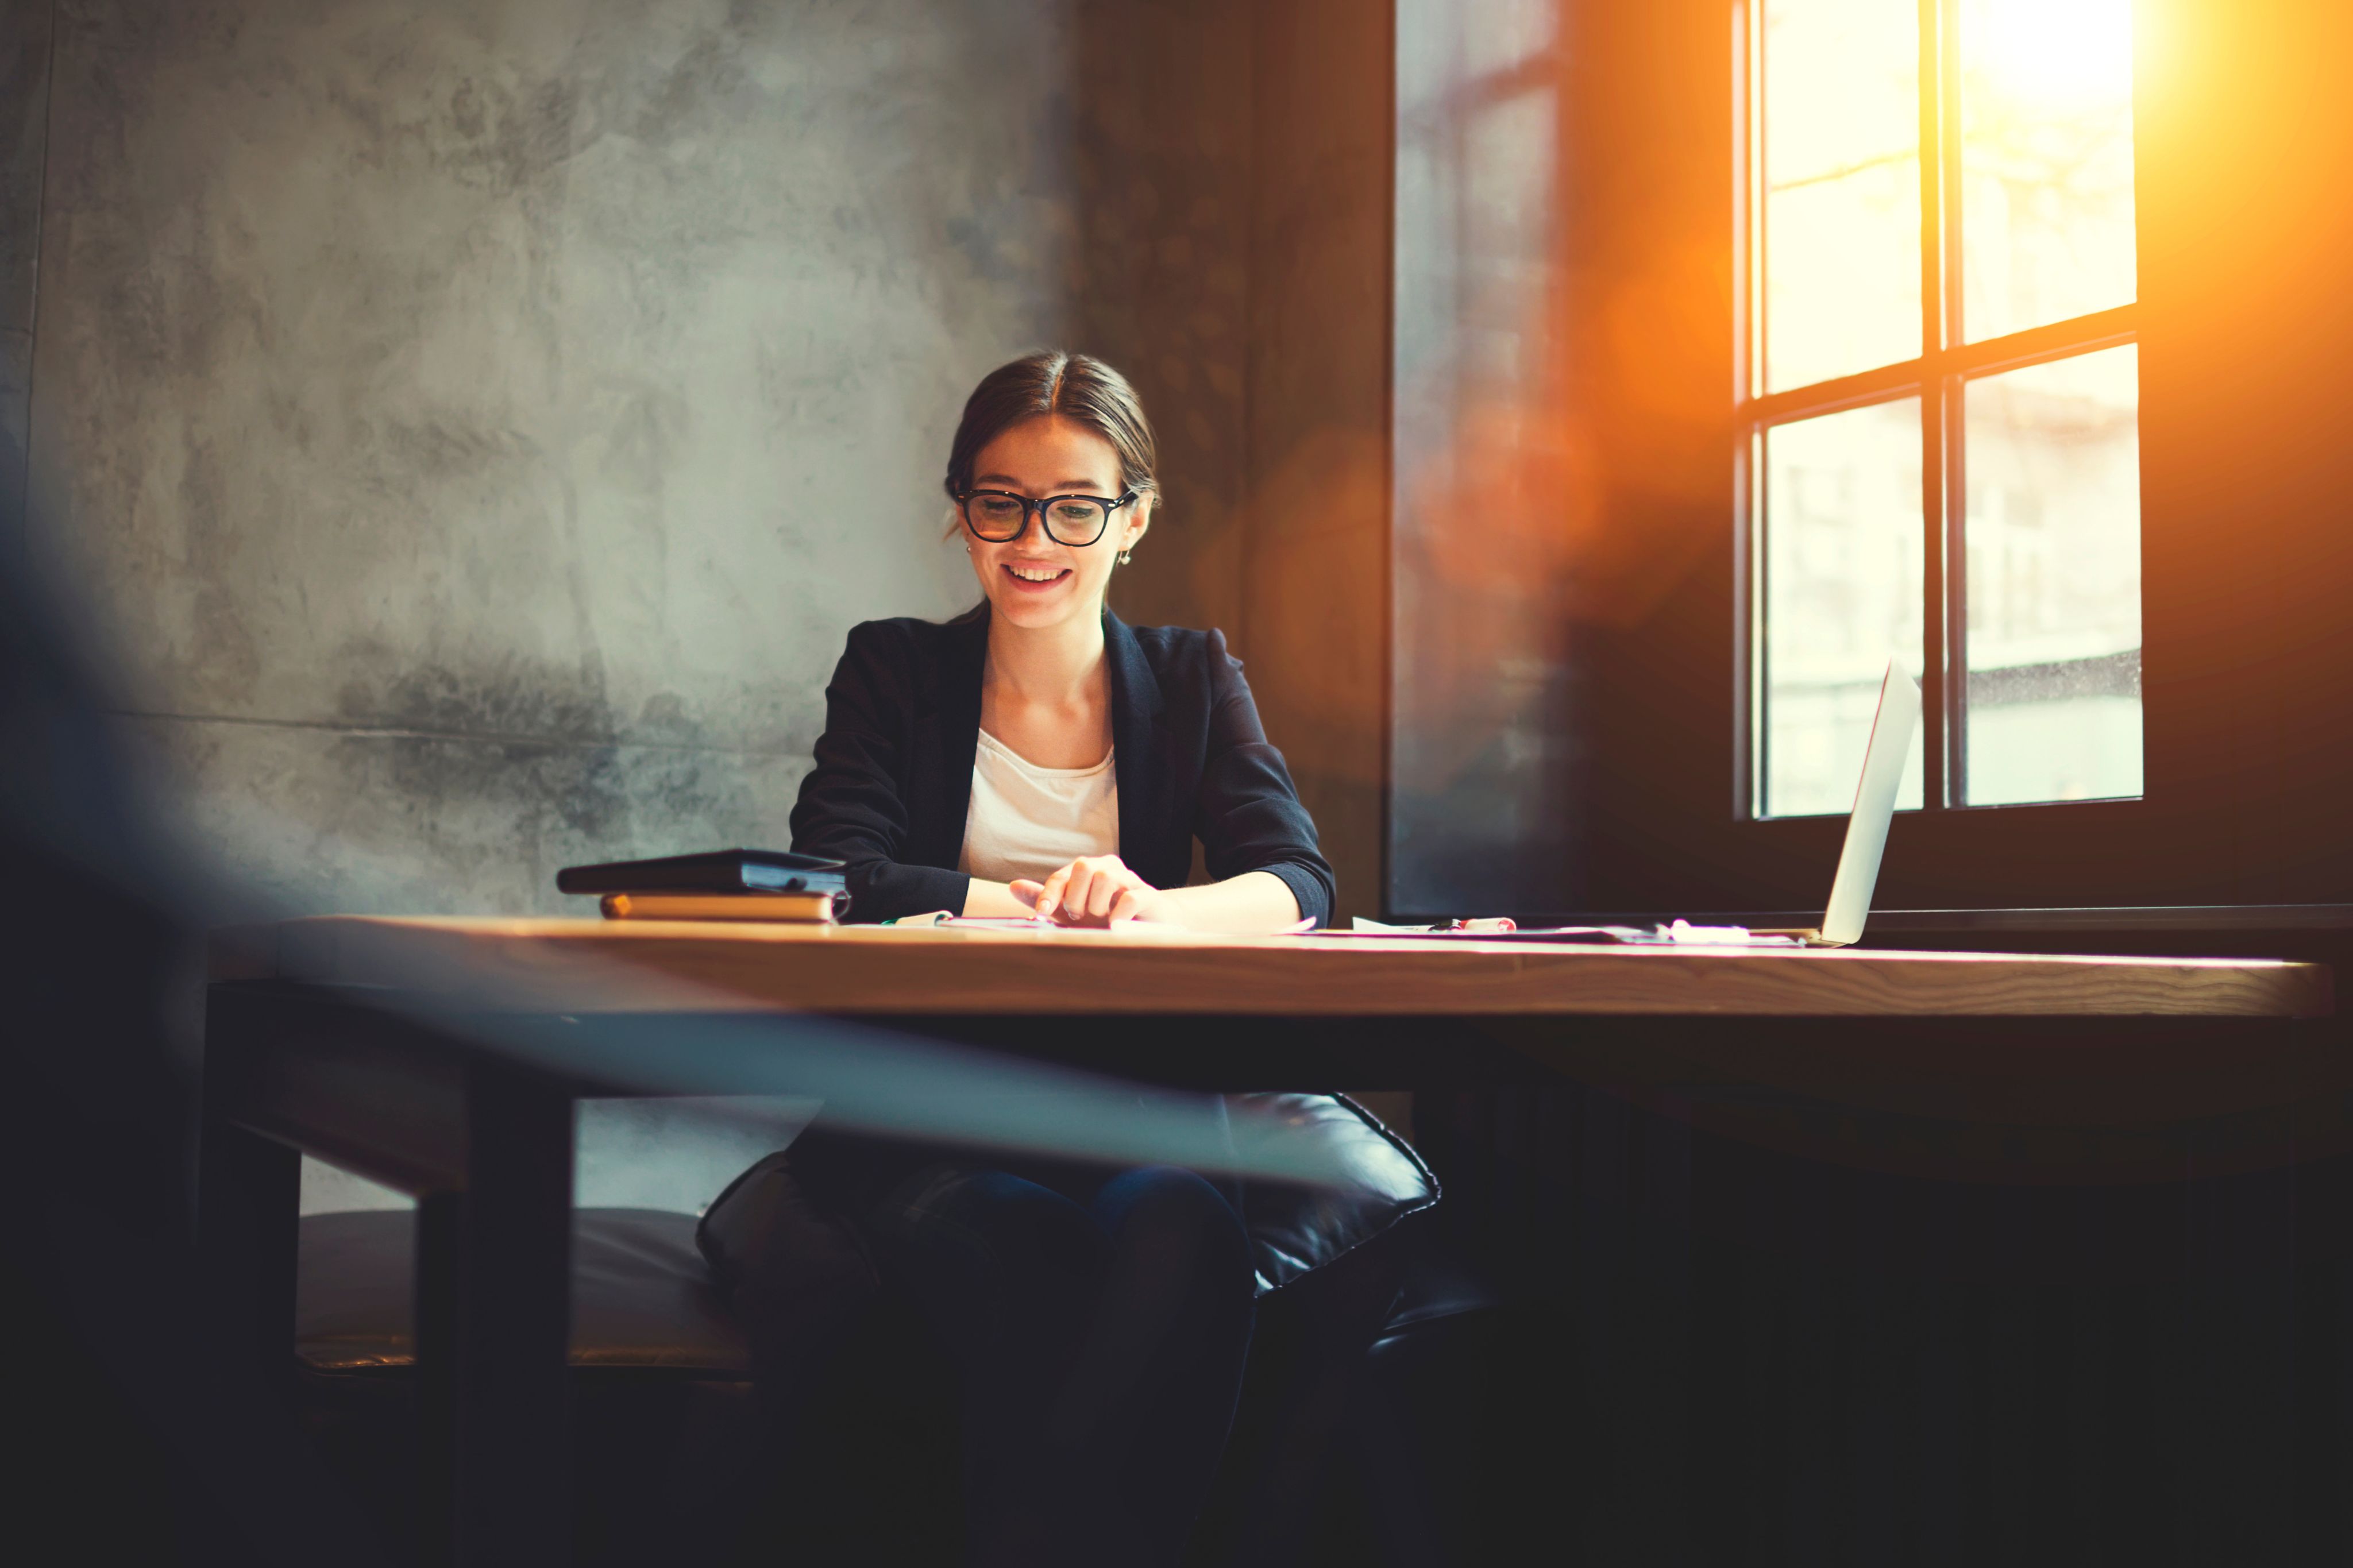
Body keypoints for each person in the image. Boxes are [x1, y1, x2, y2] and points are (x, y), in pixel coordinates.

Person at [703, 350, 1348, 1566]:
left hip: (1135, 1114)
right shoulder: (894, 668)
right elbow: (839, 873)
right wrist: (1035, 902)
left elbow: (1300, 881)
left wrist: (1148, 905)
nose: (1031, 537)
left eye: (1074, 505)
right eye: (997, 501)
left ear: (1133, 518)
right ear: (961, 513)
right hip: (935, 1114)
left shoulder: (1194, 676)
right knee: (1027, 1247)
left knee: (1186, 1233)